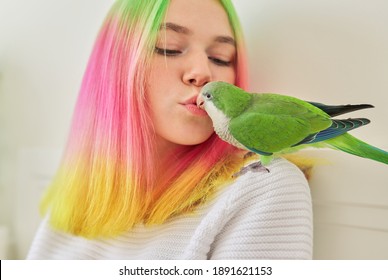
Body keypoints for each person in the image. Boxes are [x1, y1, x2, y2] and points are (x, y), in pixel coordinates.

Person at [27, 0, 312, 259]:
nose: (202, 73)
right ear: (116, 66)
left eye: (221, 58)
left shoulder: (265, 185)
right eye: (169, 48)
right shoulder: (76, 197)